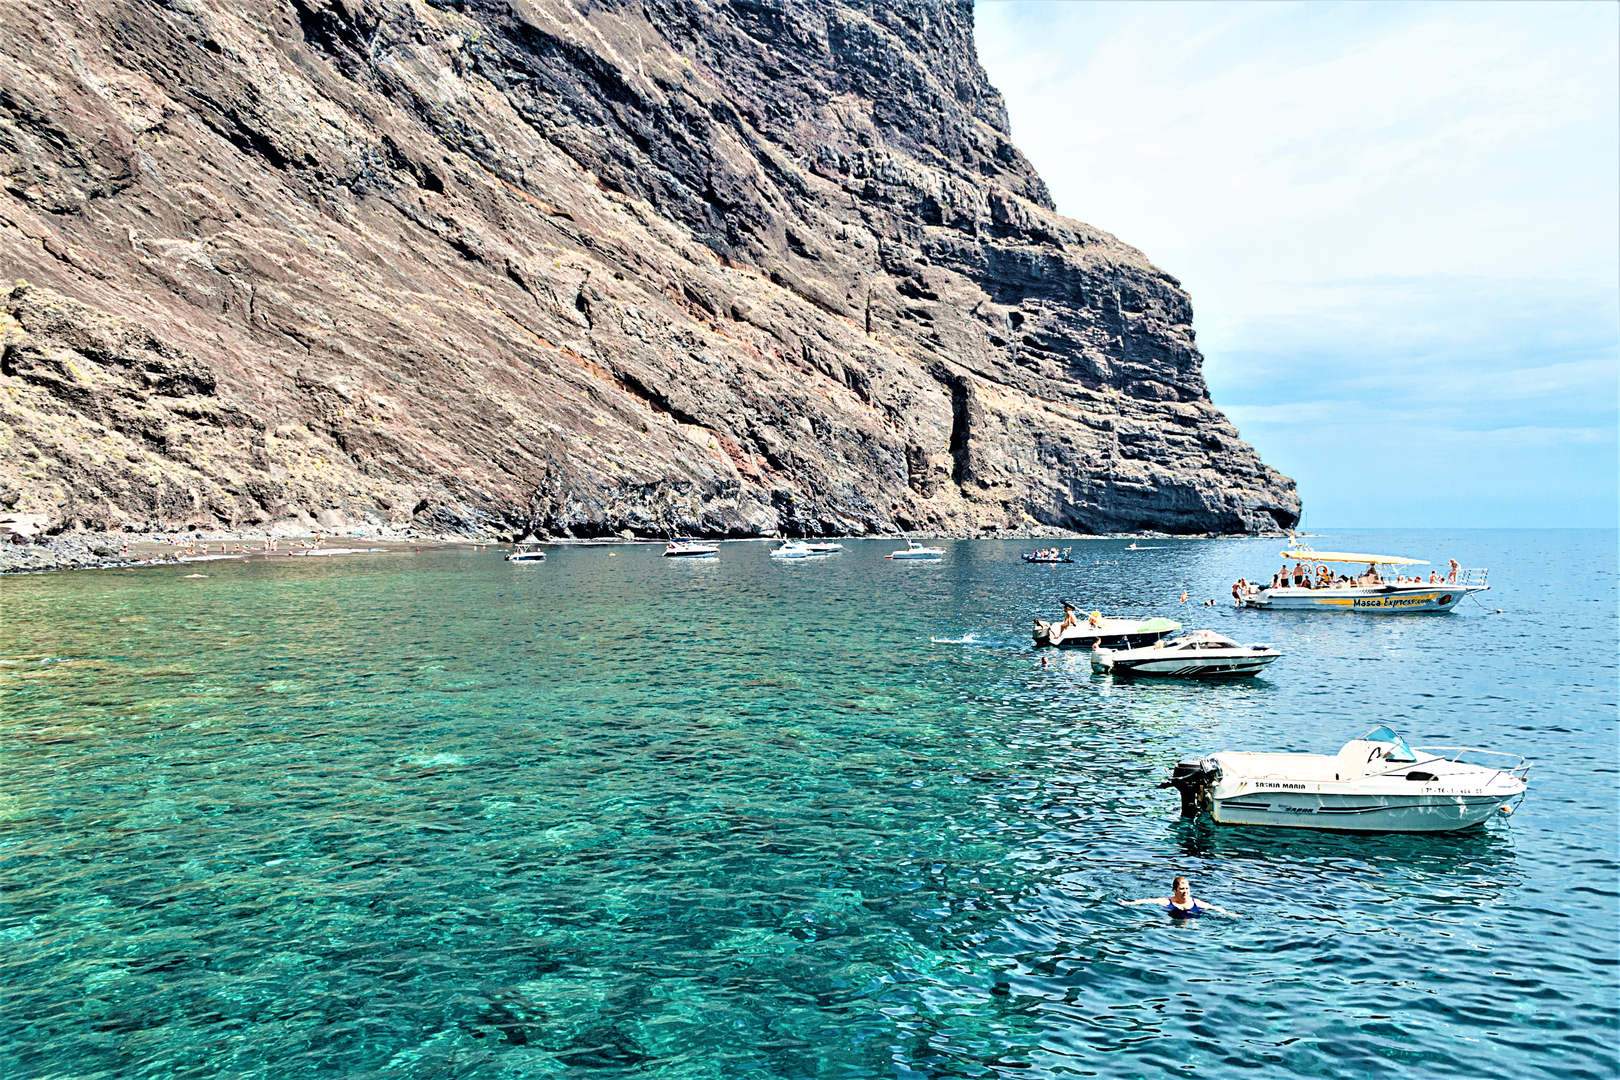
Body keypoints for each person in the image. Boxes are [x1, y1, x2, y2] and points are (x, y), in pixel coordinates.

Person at [1124, 875, 1234, 919]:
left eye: (1187, 889)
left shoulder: (1196, 902)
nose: (1185, 892)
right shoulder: (1167, 901)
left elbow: (1214, 908)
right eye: (1182, 889)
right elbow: (1148, 901)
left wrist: (1229, 914)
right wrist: (1129, 903)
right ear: (1174, 890)